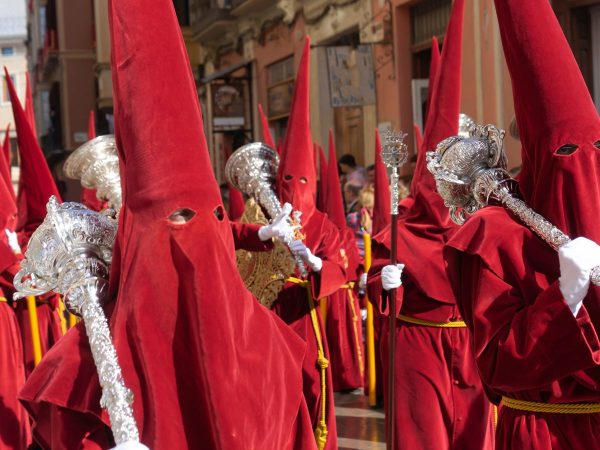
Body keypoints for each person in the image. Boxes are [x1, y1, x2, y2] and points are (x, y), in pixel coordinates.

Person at [19, 1, 319, 448]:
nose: (191, 235)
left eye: (208, 217)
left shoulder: (275, 349)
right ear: (134, 237)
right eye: (174, 219)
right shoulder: (84, 364)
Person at [441, 0, 600, 448]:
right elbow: (498, 366)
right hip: (544, 430)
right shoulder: (495, 233)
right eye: (567, 153)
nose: (586, 163)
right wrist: (565, 295)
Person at [368, 1, 495, 449]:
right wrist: (382, 282)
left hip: (473, 348)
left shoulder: (485, 222)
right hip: (420, 342)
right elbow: (379, 280)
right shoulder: (405, 224)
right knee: (425, 436)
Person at [272, 37, 347, 450]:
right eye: (288, 181)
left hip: (311, 322)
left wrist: (322, 268)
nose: (294, 189)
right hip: (274, 323)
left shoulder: (327, 226)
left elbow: (343, 262)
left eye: (302, 181)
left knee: (314, 394)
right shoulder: (266, 221)